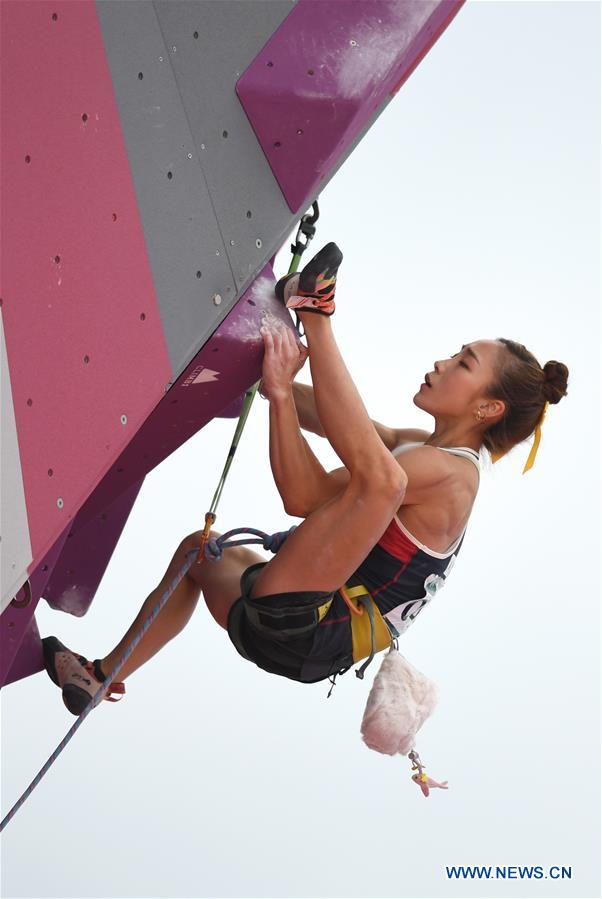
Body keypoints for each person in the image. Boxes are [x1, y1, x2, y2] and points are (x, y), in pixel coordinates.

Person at [42, 243, 569, 714]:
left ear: (488, 408)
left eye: (464, 362)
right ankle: (101, 677)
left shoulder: (453, 478)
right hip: (274, 620)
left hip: (308, 627)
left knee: (382, 480)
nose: (442, 361)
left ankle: (318, 311)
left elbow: (305, 495)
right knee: (198, 553)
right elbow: (349, 426)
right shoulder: (419, 447)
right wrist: (261, 365)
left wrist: (285, 380)